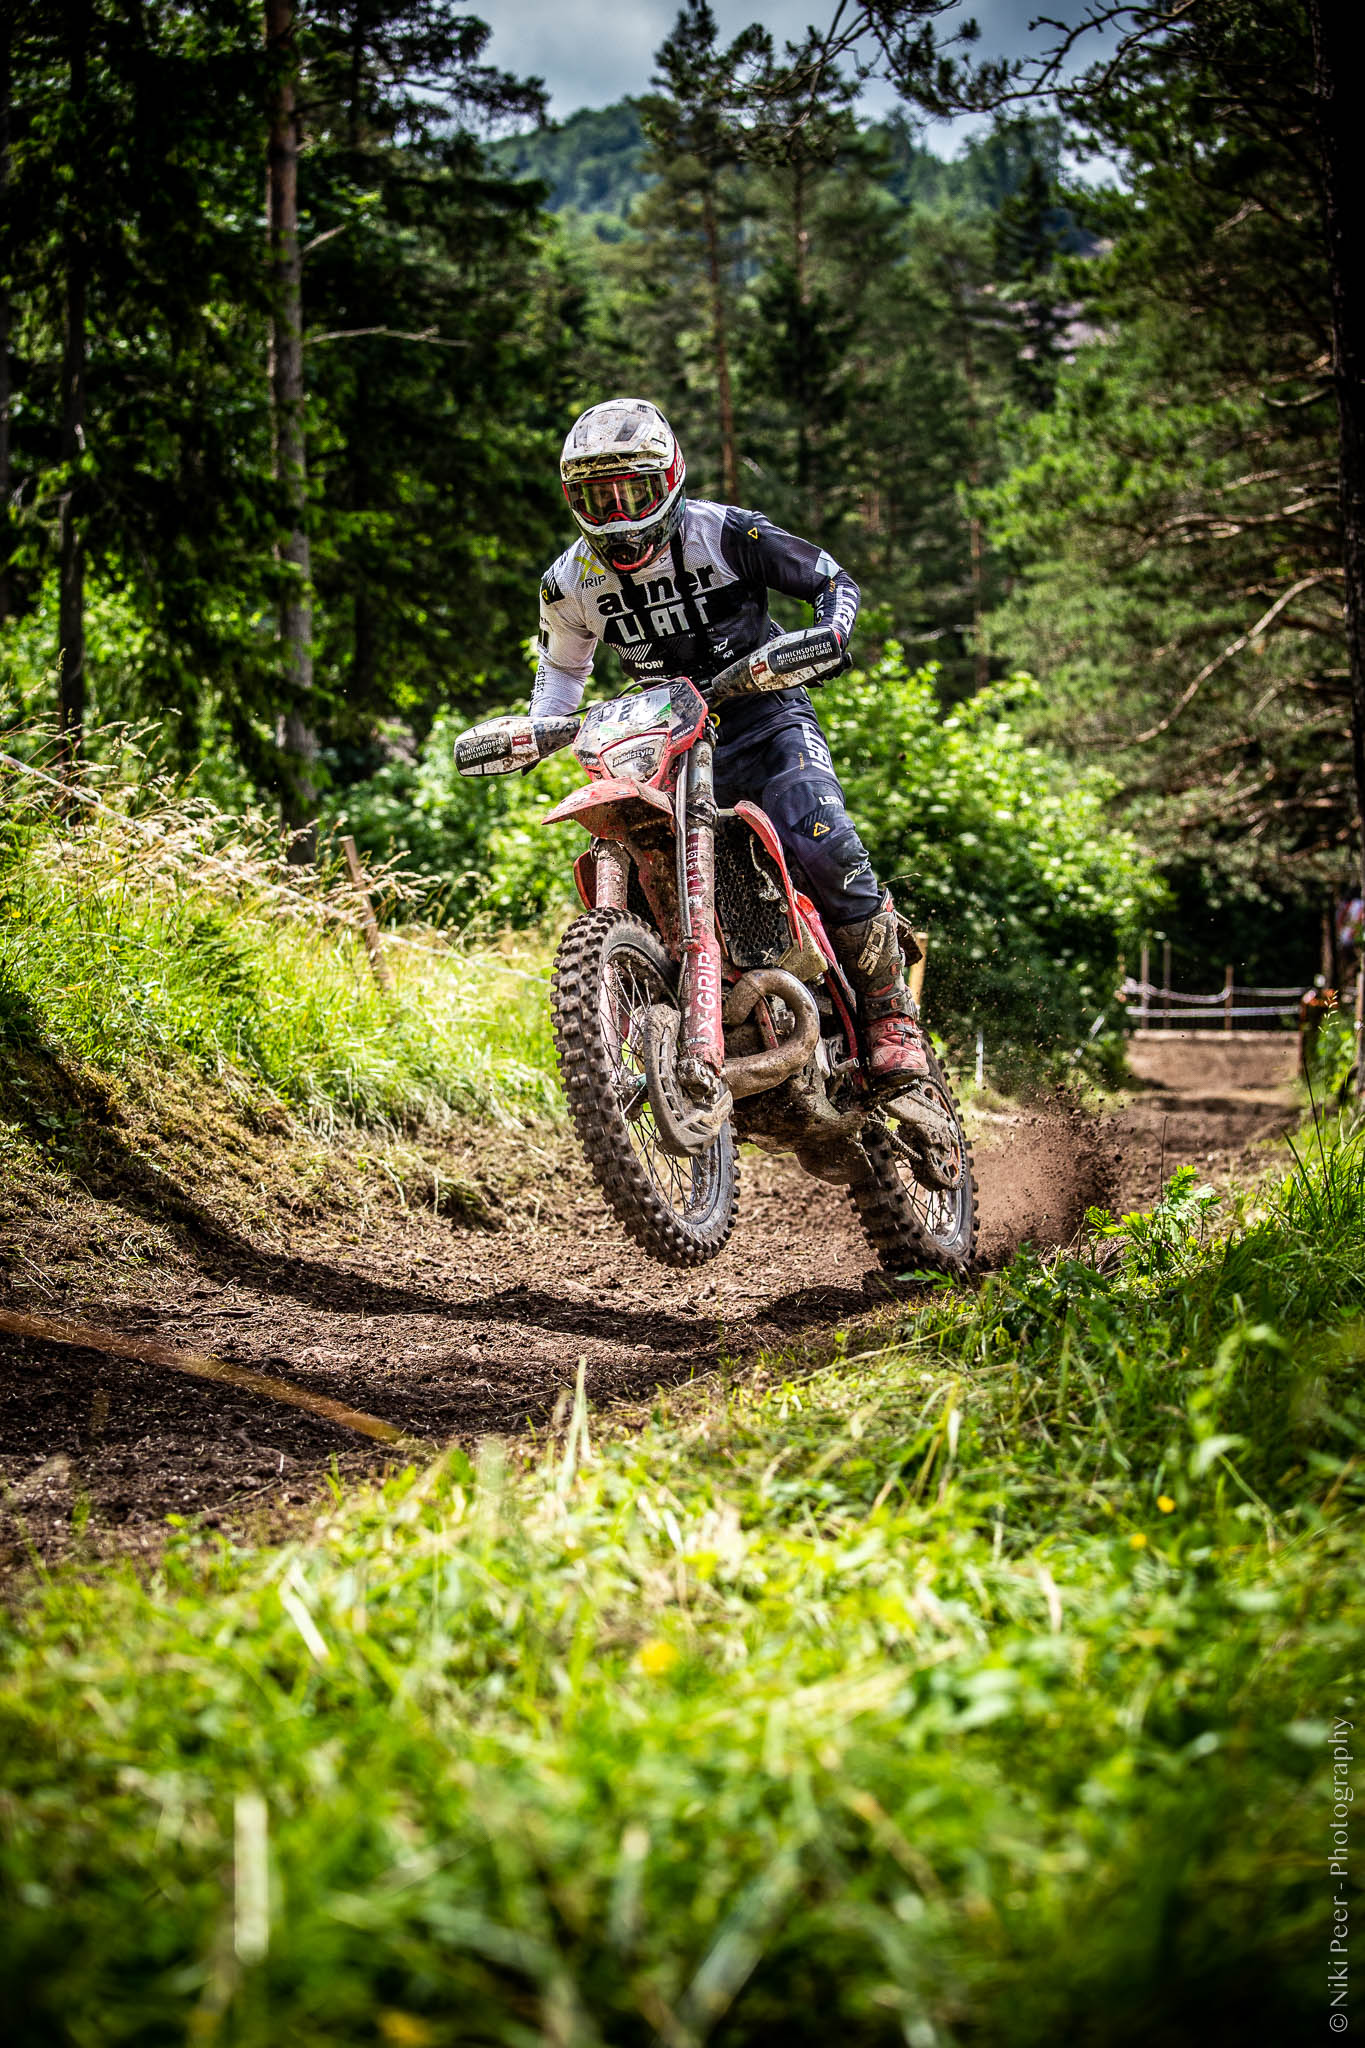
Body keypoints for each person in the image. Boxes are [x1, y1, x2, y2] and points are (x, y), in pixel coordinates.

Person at [530, 396, 930, 1086]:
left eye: (636, 491)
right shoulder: (568, 580)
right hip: (662, 737)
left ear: (672, 478)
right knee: (630, 851)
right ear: (572, 500)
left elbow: (829, 578)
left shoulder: (724, 532)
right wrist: (541, 729)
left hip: (763, 711)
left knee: (819, 832)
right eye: (599, 500)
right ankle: (655, 1022)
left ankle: (889, 1012)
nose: (620, 516)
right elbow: (563, 671)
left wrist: (829, 633)